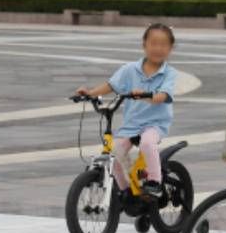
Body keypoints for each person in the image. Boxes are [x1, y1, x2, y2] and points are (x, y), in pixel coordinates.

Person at [75, 23, 178, 199]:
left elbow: (163, 96)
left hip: (155, 124)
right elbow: (111, 85)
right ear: (144, 44)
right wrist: (90, 93)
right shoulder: (130, 69)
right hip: (132, 124)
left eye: (163, 45)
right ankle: (125, 190)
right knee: (115, 153)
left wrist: (145, 96)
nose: (158, 49)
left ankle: (155, 182)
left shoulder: (169, 73)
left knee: (147, 143)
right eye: (153, 43)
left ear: (170, 48)